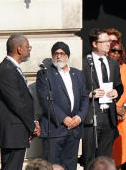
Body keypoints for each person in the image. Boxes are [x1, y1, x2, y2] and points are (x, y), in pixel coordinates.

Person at [0, 34, 40, 170]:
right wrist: (32, 126)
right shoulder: (7, 70)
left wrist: (34, 121)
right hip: (12, 133)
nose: (29, 50)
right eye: (28, 47)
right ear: (19, 49)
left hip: (17, 131)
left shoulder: (12, 68)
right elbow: (17, 103)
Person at [36, 41, 89, 170]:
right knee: (52, 166)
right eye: (55, 54)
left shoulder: (77, 74)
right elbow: (46, 101)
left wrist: (79, 117)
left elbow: (84, 97)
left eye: (62, 53)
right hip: (55, 129)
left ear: (67, 56)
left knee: (70, 165)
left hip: (74, 130)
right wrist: (64, 119)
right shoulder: (45, 74)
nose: (58, 56)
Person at [84, 29, 124, 162]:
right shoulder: (85, 63)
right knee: (90, 158)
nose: (109, 44)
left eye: (109, 41)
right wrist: (90, 94)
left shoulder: (112, 63)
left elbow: (119, 85)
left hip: (109, 116)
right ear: (95, 44)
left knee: (105, 158)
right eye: (105, 41)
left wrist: (116, 92)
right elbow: (77, 89)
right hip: (92, 115)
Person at [106, 30, 126, 169]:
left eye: (118, 50)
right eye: (112, 49)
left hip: (124, 114)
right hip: (107, 113)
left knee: (123, 148)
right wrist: (114, 108)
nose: (115, 53)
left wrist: (122, 108)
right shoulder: (102, 67)